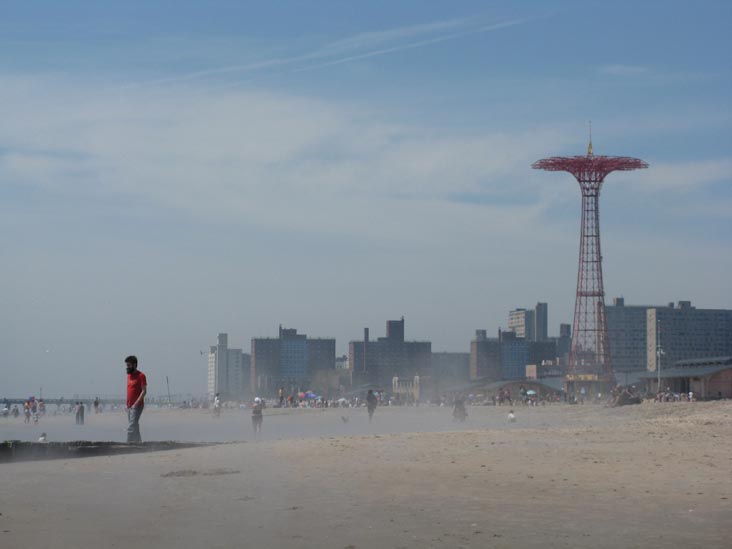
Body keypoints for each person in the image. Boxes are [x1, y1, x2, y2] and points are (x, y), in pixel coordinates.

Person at [125, 355, 147, 443]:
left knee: (131, 426)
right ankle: (139, 442)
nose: (127, 367)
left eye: (129, 365)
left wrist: (136, 404)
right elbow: (129, 391)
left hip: (137, 406)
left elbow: (144, 391)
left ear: (134, 365)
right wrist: (127, 405)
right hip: (129, 406)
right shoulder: (129, 376)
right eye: (126, 365)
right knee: (134, 425)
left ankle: (127, 443)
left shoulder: (141, 375)